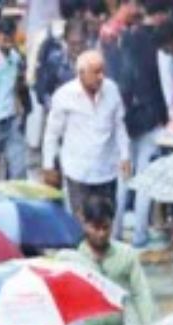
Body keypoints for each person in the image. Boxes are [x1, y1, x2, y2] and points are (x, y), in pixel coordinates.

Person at [55, 195, 156, 325]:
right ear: (84, 223)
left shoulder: (126, 255)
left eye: (106, 227)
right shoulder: (69, 259)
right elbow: (58, 296)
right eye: (95, 228)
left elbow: (141, 293)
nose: (101, 234)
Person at [111, 0, 172, 247]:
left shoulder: (126, 38)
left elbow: (123, 78)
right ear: (161, 14)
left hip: (128, 117)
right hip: (153, 117)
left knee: (123, 177)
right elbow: (164, 84)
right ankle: (139, 235)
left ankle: (114, 232)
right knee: (145, 178)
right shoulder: (159, 42)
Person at [43, 51, 130, 220]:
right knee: (81, 223)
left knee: (105, 221)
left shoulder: (112, 90)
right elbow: (52, 133)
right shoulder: (64, 95)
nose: (101, 77)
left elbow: (119, 125)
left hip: (107, 171)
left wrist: (125, 156)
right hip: (78, 172)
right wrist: (48, 165)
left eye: (102, 71)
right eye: (96, 72)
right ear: (81, 73)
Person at [0, 19, 27, 181]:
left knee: (18, 167)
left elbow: (16, 83)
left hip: (11, 120)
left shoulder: (15, 57)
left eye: (11, 37)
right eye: (4, 38)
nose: (8, 42)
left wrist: (19, 104)